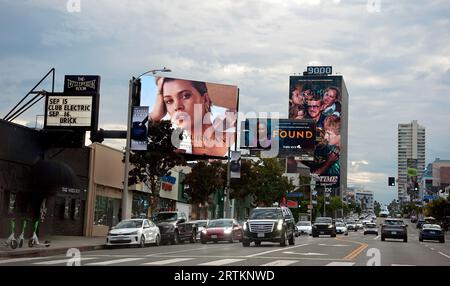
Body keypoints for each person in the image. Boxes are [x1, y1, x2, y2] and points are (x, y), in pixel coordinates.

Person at [149, 77, 235, 157]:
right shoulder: (173, 148)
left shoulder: (233, 131)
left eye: (185, 96)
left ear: (205, 99)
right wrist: (155, 115)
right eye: (169, 101)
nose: (177, 106)